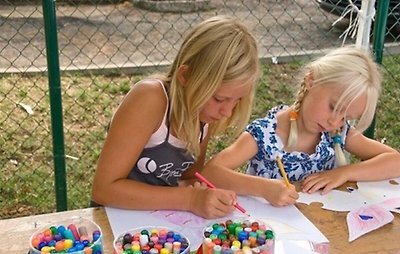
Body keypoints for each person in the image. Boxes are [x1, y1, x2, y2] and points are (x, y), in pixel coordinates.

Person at [90, 15, 260, 219]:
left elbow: (189, 179)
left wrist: (206, 194)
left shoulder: (202, 117)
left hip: (160, 226)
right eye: (219, 98)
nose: (227, 112)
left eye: (237, 101)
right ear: (186, 77)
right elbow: (104, 190)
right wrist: (190, 199)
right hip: (116, 223)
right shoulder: (150, 99)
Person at [202, 46, 400, 207]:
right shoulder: (266, 134)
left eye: (346, 117)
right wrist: (264, 188)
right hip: (270, 231)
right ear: (311, 81)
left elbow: (395, 161)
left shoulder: (336, 133)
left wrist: (344, 172)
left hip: (319, 230)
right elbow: (211, 172)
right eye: (333, 107)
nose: (335, 121)